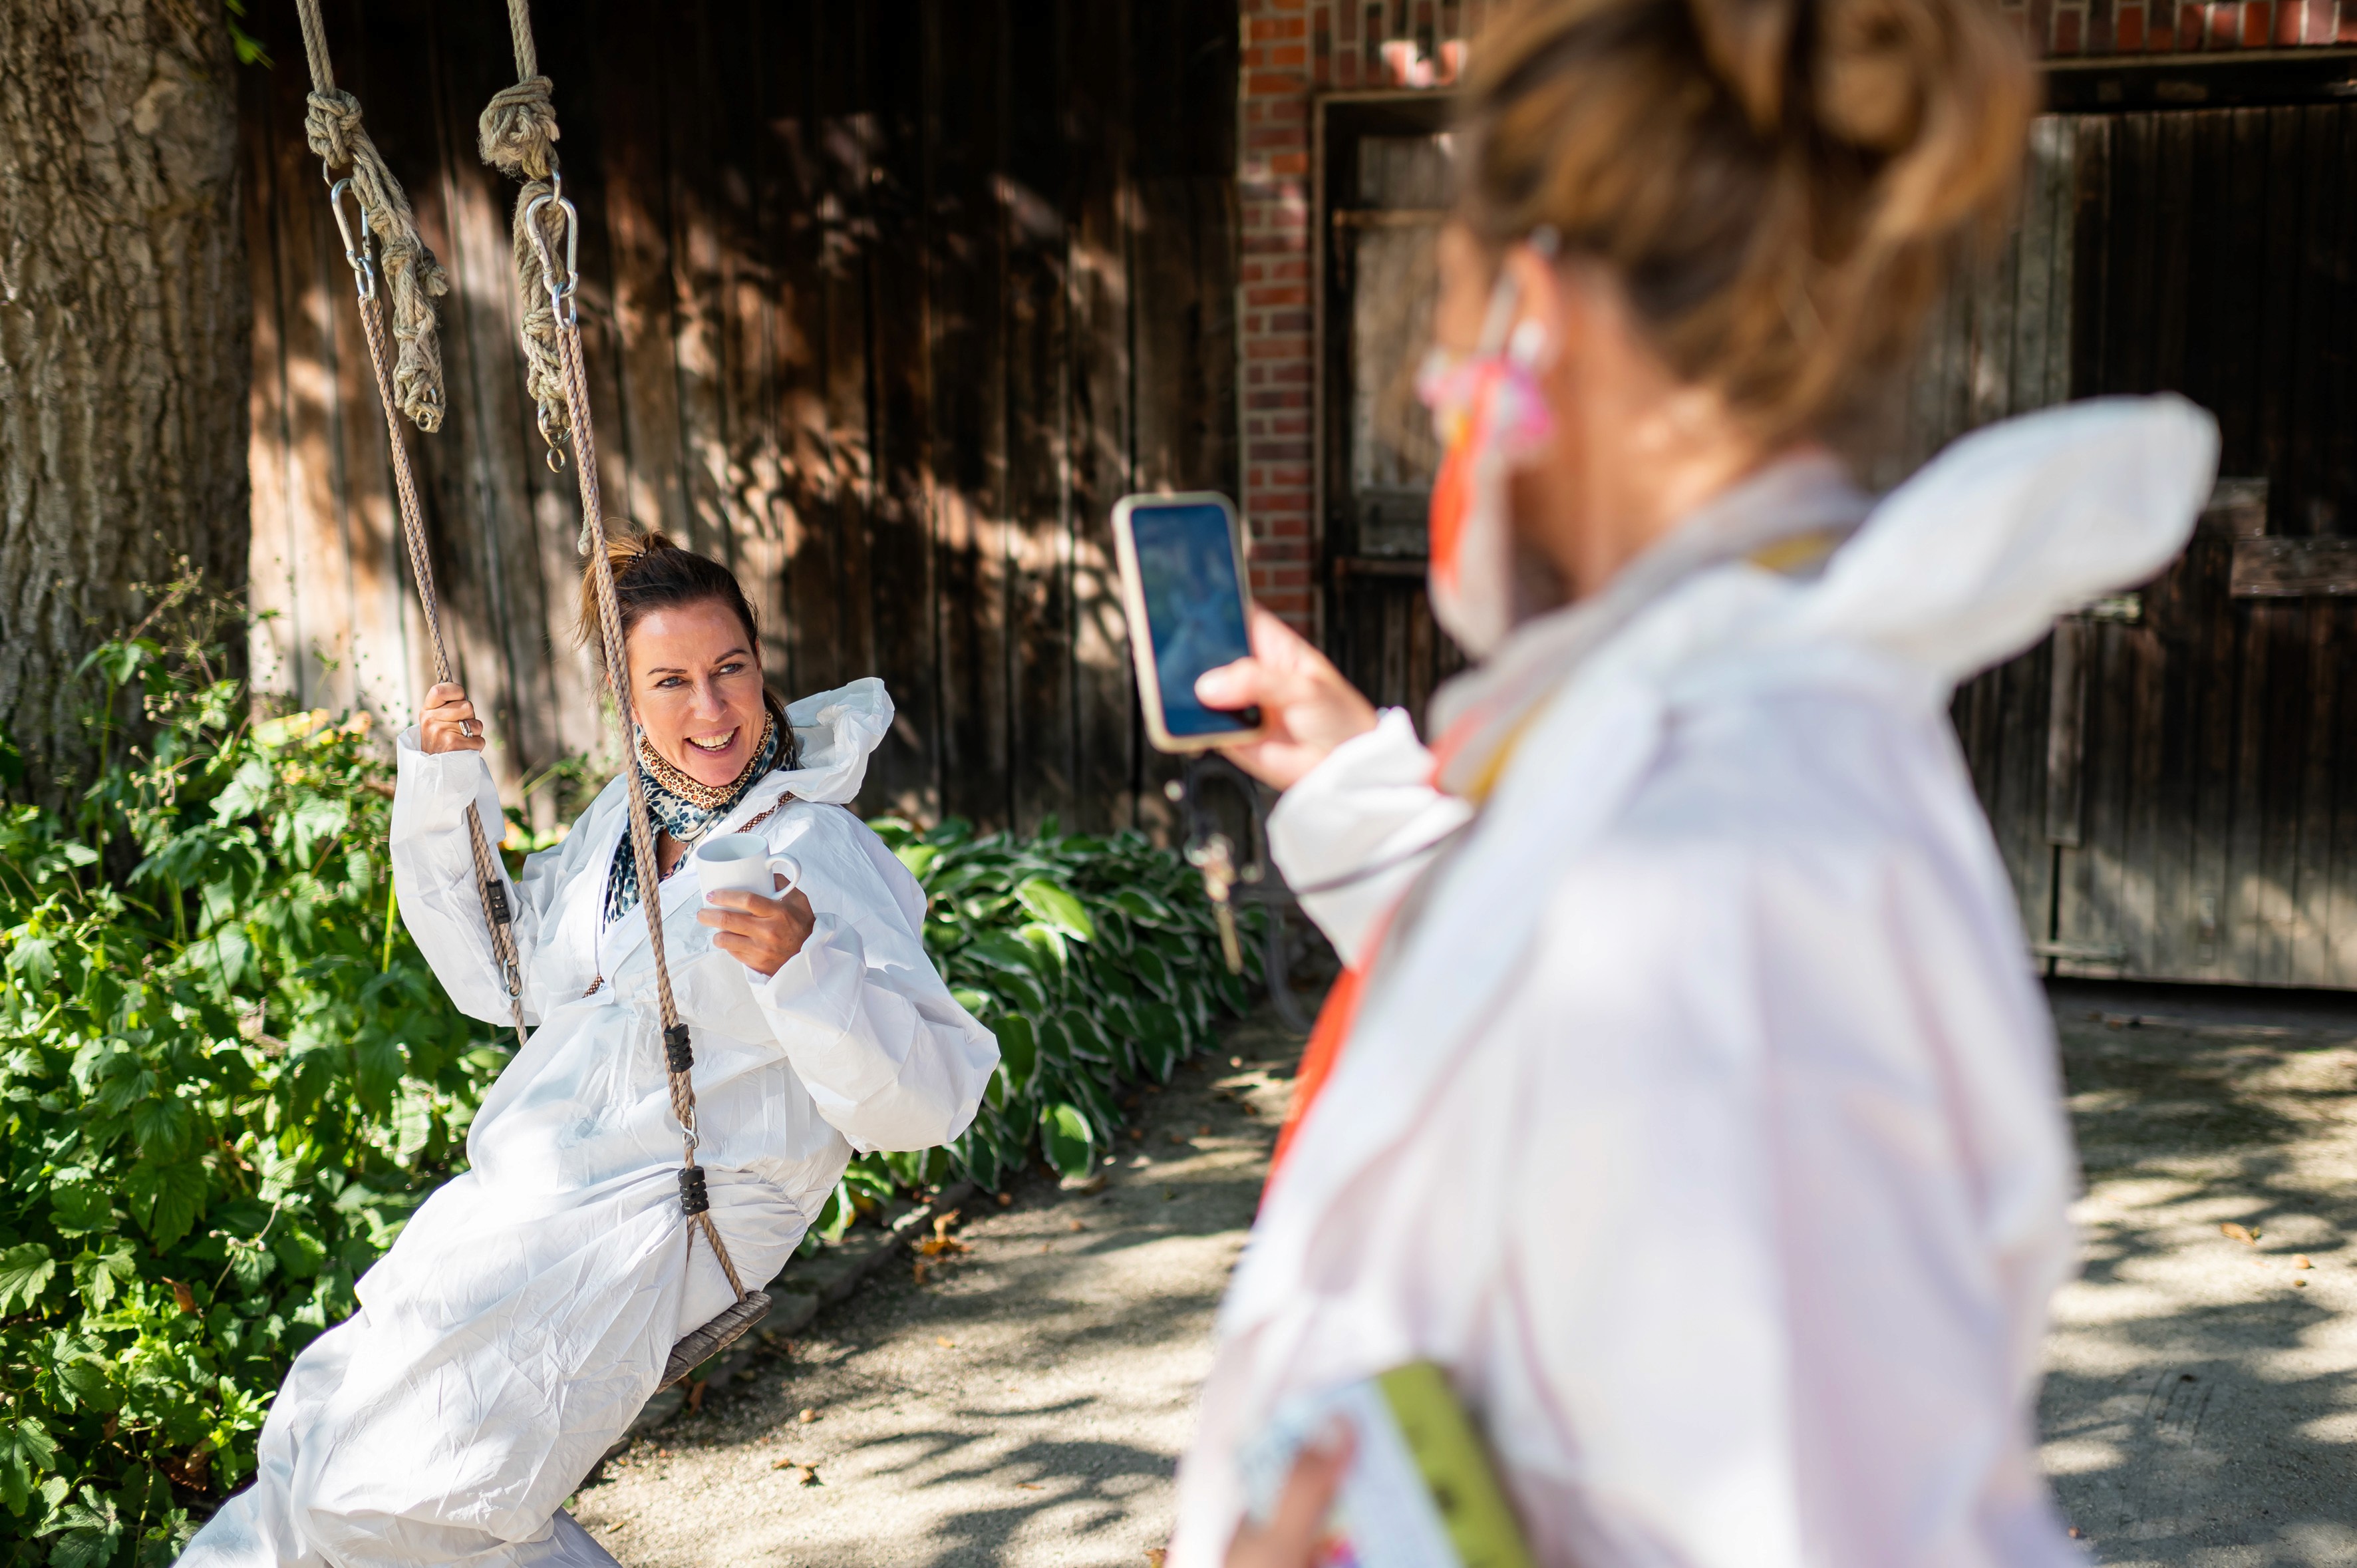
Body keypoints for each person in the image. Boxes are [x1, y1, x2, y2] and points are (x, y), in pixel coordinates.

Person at [1171, 0, 2218, 1564]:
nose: (1427, 389)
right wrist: (1350, 782)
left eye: (1437, 324)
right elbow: (1560, 1032)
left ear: (1530, 315)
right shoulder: (1700, 761)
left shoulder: (1725, 864)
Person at [184, 531, 998, 1567]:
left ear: (762, 665)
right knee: (317, 1432)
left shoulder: (813, 845)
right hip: (539, 1179)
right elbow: (506, 975)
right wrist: (444, 791)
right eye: (671, 680)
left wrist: (810, 971)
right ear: (623, 695)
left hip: (679, 1205)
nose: (712, 707)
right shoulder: (625, 818)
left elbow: (929, 1101)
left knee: (414, 1491)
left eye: (731, 667)